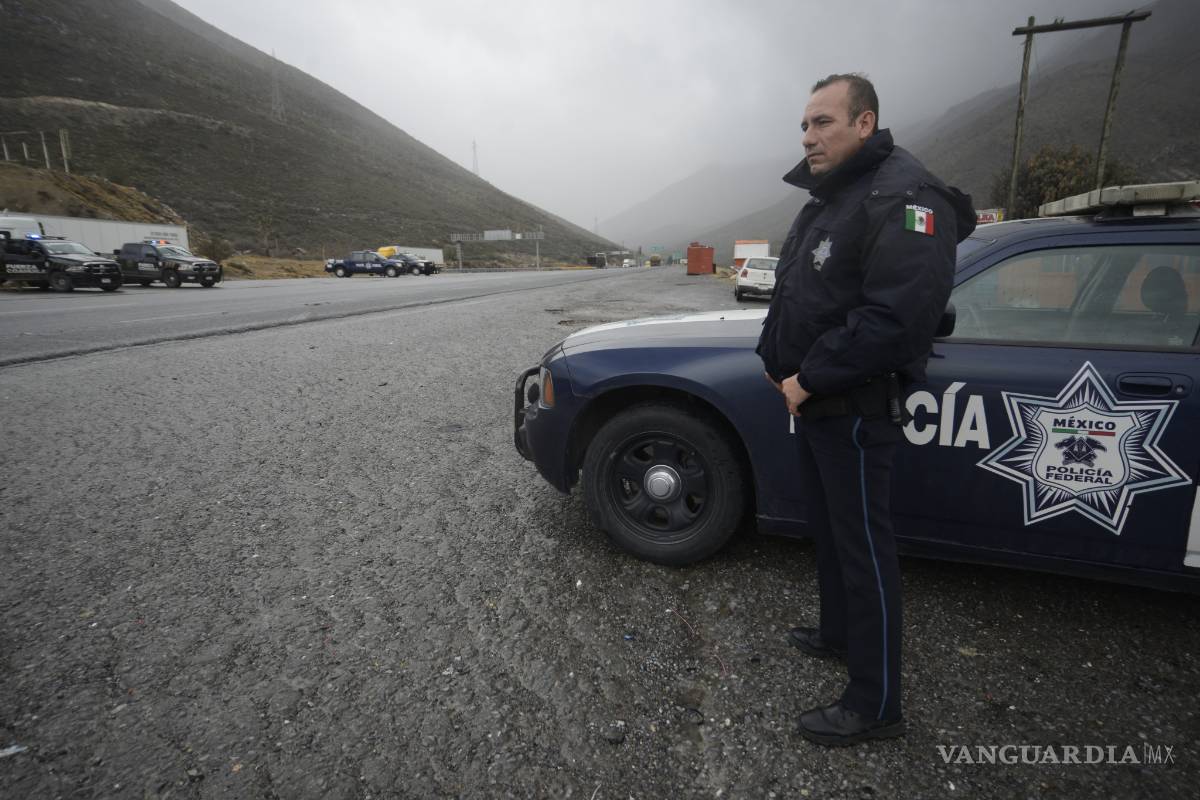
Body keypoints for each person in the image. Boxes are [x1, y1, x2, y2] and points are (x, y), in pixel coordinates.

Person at [756, 73, 976, 746]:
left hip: (851, 404)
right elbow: (810, 289)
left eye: (823, 122)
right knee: (828, 531)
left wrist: (807, 378)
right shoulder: (840, 194)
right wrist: (783, 367)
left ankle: (876, 703)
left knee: (864, 551)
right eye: (804, 125)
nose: (808, 136)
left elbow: (896, 321)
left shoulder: (907, 198)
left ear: (864, 123)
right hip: (816, 399)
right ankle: (837, 633)